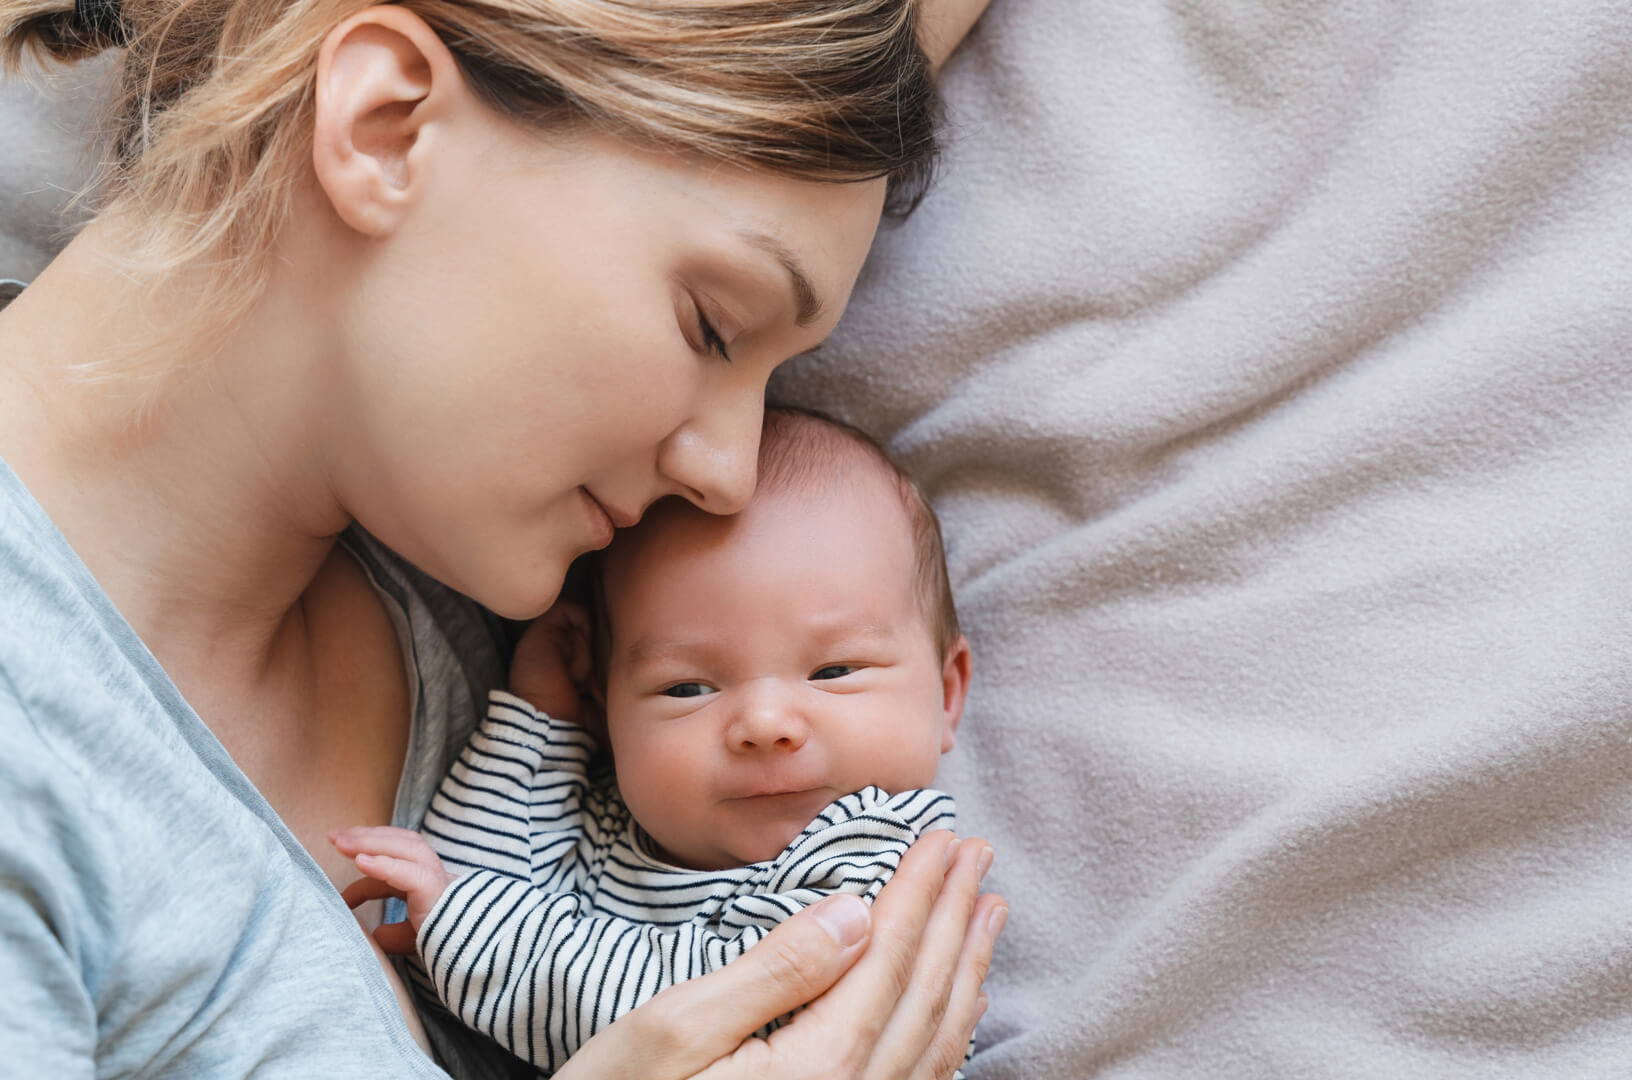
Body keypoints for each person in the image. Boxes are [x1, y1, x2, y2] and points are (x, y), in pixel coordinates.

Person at [0, 0, 1004, 1074]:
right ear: (387, 126)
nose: (729, 478)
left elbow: (822, 58)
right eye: (712, 327)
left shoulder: (447, 547)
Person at [331, 408, 980, 1074]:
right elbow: (471, 901)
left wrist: (472, 933)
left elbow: (704, 1016)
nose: (763, 723)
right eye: (687, 689)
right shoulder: (615, 819)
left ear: (948, 691)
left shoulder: (882, 852)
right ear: (605, 705)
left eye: (834, 672)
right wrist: (537, 722)